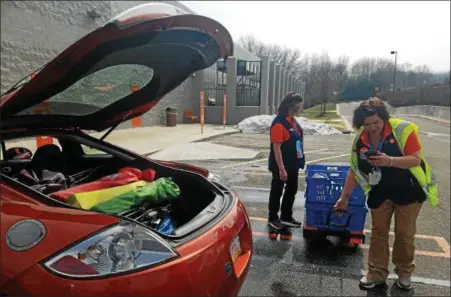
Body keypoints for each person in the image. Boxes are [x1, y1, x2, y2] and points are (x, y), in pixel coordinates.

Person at [334, 97, 438, 291]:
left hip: (408, 191)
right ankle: (376, 273)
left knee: (404, 234)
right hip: (380, 192)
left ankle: (404, 272)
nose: (373, 128)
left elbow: (415, 160)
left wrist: (389, 160)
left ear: (384, 118)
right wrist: (344, 197)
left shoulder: (402, 130)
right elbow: (354, 170)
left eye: (377, 123)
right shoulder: (360, 139)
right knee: (378, 234)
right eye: (367, 124)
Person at [267, 92, 305, 229]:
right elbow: (276, 148)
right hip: (281, 165)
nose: (298, 110)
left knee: (291, 190)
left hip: (293, 164)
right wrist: (281, 168)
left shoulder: (292, 121)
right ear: (290, 106)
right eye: (297, 108)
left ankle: (286, 216)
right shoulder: (278, 124)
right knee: (277, 191)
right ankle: (273, 217)